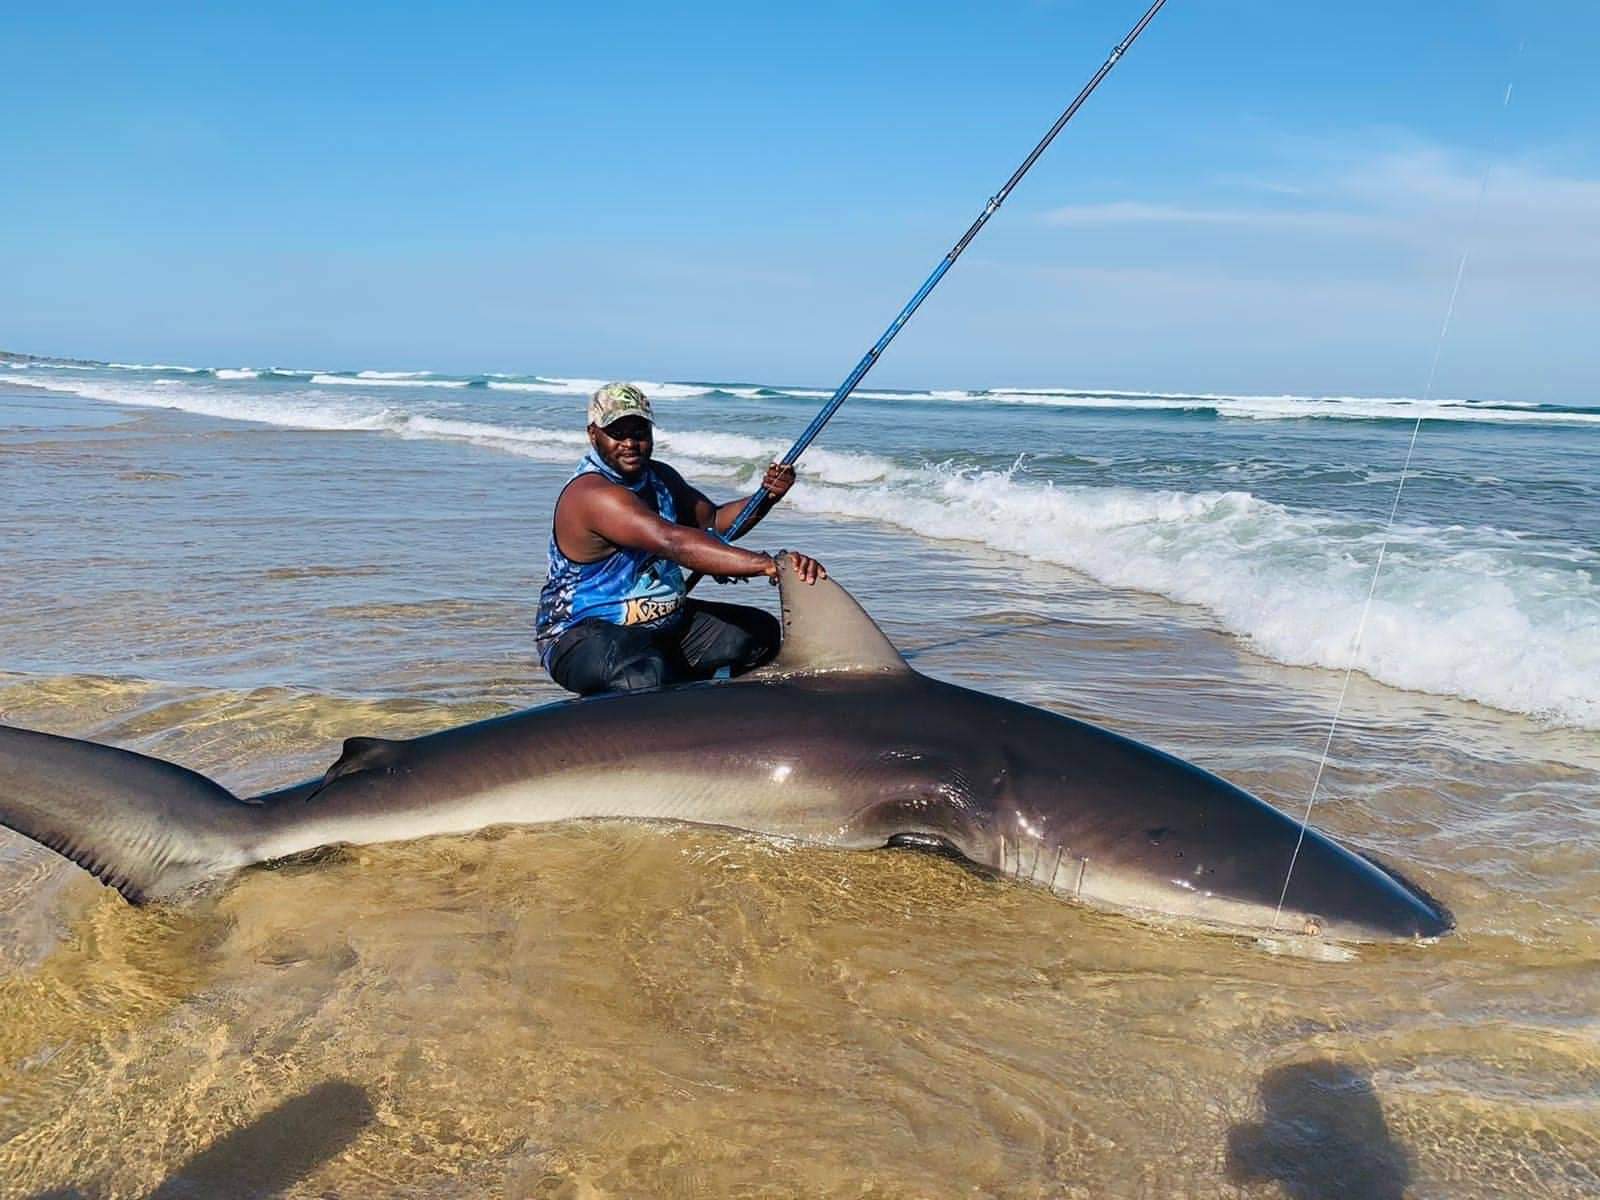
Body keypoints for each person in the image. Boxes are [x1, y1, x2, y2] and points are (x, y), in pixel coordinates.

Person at [536, 382, 826, 696]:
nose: (631, 443)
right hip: (580, 636)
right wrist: (770, 565)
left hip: (665, 625)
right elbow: (671, 542)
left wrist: (766, 496)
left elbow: (714, 523)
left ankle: (709, 717)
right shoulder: (591, 494)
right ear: (593, 434)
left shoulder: (660, 477)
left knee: (759, 634)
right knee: (643, 672)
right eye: (617, 433)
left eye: (640, 432)